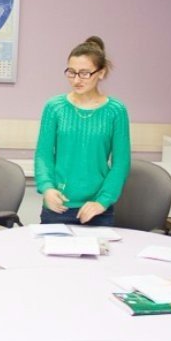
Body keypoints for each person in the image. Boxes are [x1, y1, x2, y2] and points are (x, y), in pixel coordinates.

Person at [34, 36, 131, 226]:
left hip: (96, 209)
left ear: (101, 73)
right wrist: (47, 188)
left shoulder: (116, 111)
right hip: (57, 207)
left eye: (84, 73)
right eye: (71, 72)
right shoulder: (54, 107)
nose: (76, 80)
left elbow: (121, 163)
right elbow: (43, 155)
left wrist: (102, 201)